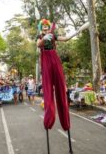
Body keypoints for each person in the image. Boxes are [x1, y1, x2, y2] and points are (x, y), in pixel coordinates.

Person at [37, 19, 87, 153]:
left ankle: (66, 122)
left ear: (49, 27)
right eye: (44, 27)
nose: (46, 28)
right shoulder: (40, 36)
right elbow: (38, 44)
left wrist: (77, 32)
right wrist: (43, 40)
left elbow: (65, 38)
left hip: (55, 60)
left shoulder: (53, 35)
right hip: (46, 61)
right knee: (48, 91)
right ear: (41, 28)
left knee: (61, 89)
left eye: (48, 27)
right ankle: (49, 118)